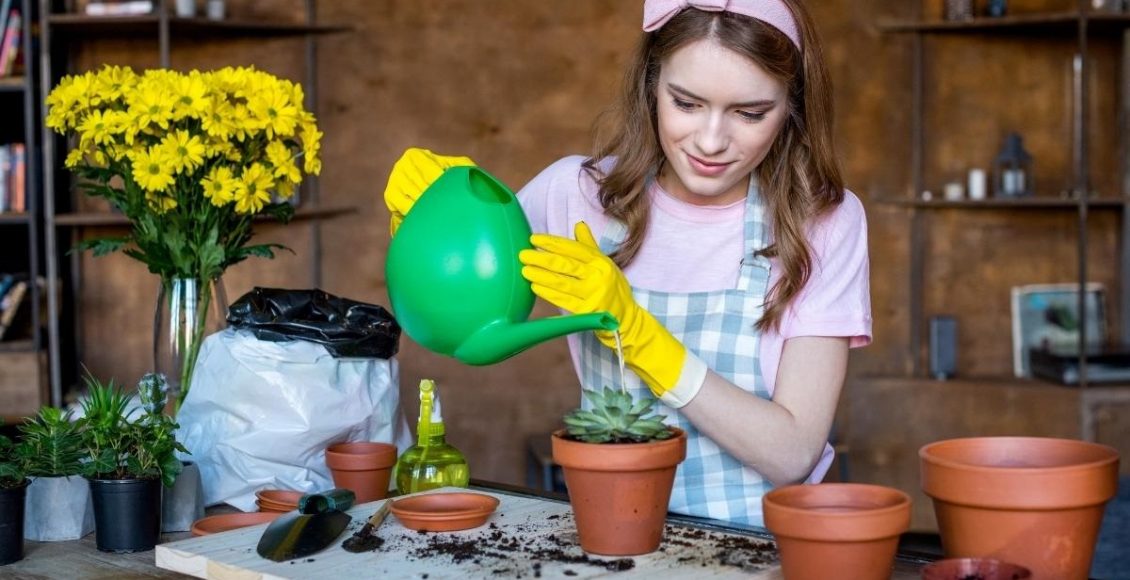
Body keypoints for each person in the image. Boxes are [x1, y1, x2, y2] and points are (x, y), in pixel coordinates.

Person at [383, 0, 870, 527]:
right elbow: (463, 334)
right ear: (651, 86)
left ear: (792, 107)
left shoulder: (822, 223)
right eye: (685, 103)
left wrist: (642, 337)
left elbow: (791, 454)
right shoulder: (577, 195)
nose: (710, 141)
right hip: (612, 528)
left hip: (759, 545)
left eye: (749, 113)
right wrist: (432, 221)